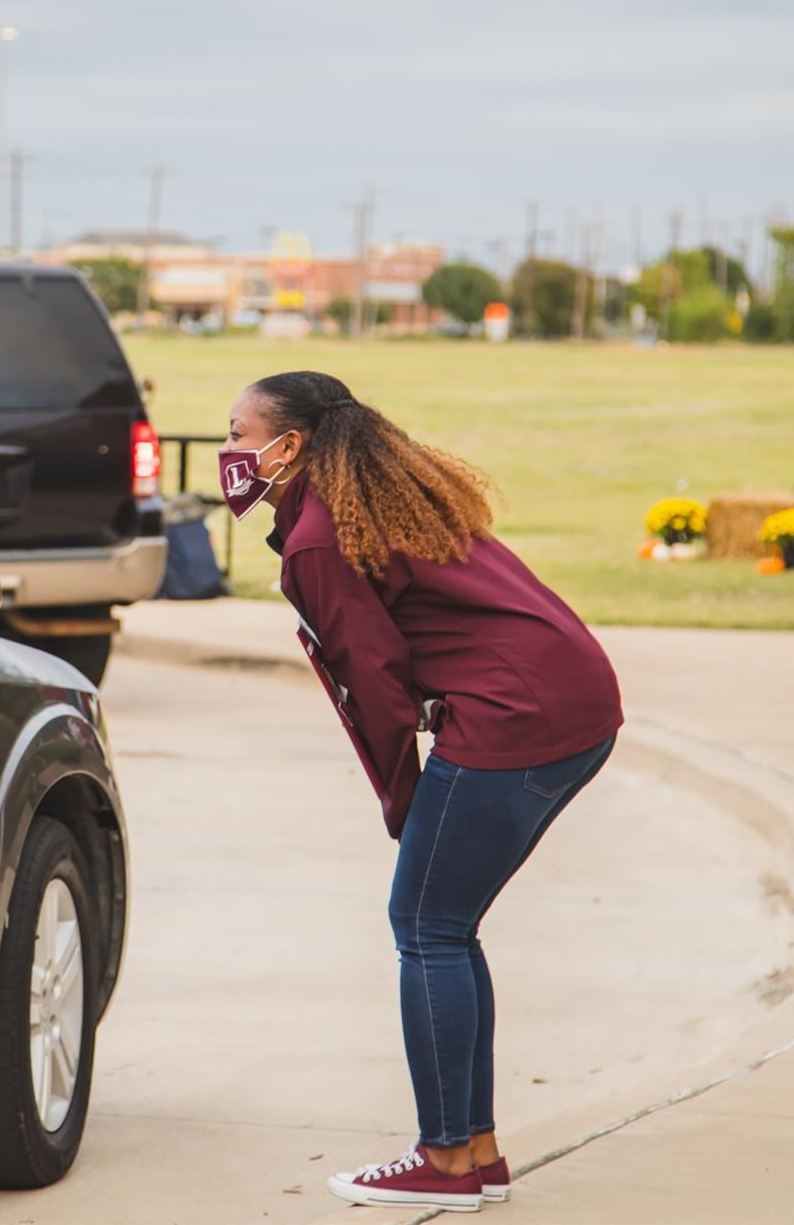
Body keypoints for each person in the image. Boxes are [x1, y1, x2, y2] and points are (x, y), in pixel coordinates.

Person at [220, 371, 622, 1213]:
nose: (229, 452)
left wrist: (403, 799)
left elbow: (374, 683)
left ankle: (444, 1162)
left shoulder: (321, 538)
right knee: (446, 926)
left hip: (515, 716)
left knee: (426, 927)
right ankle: (475, 1150)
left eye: (239, 432)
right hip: (574, 701)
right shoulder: (371, 499)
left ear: (289, 447)